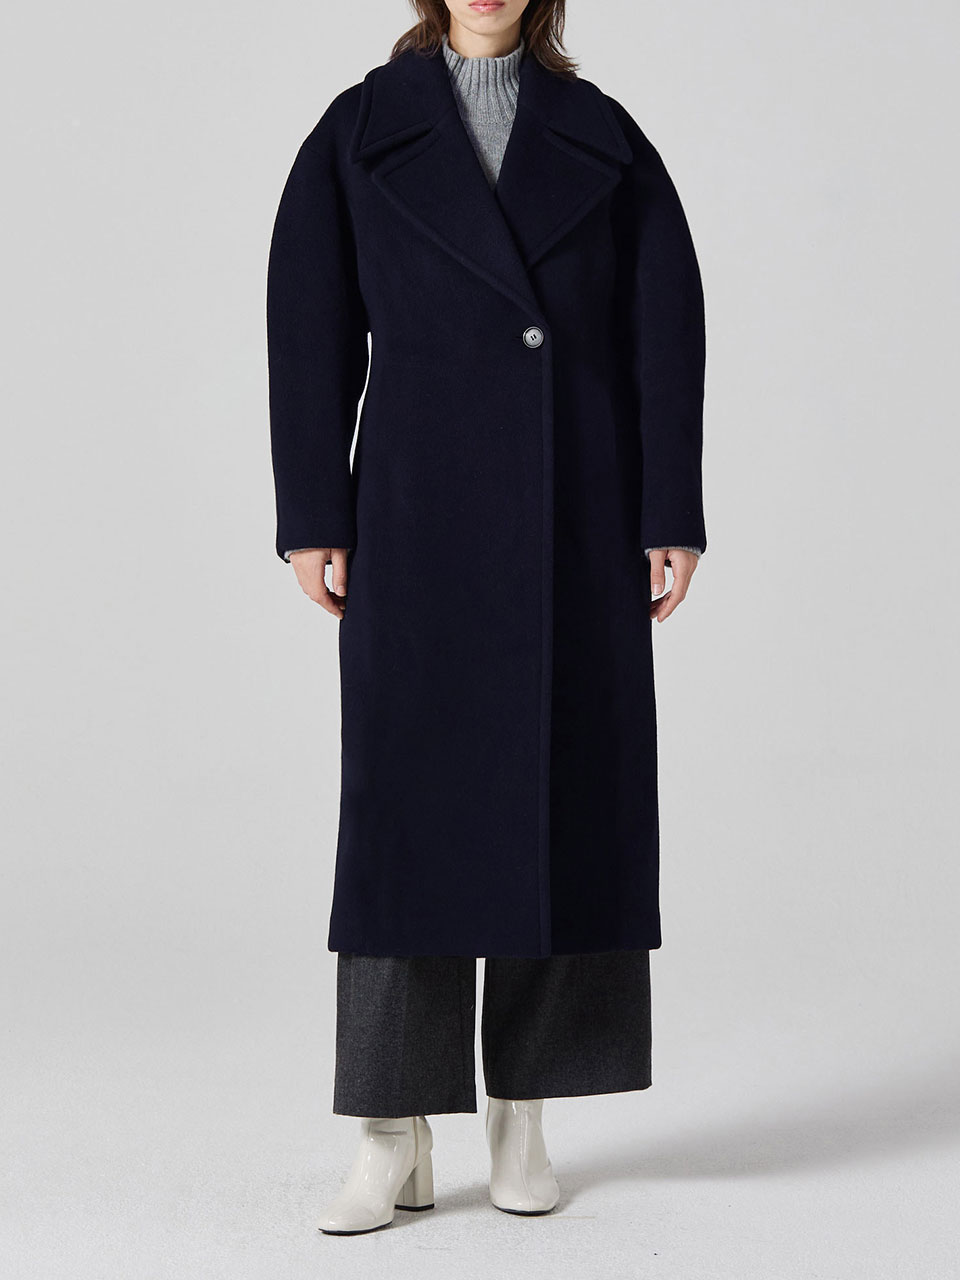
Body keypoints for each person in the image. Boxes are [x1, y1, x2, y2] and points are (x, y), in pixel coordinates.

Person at [266, 0, 706, 1237]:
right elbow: (309, 325)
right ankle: (389, 1132)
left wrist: (668, 510)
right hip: (415, 514)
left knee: (558, 799)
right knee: (403, 817)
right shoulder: (360, 129)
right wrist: (314, 511)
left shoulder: (602, 134)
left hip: (577, 511)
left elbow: (666, 328)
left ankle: (525, 1110)